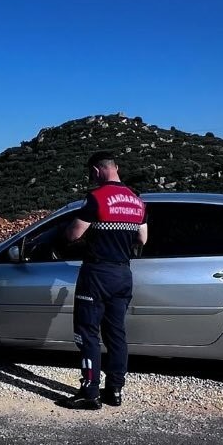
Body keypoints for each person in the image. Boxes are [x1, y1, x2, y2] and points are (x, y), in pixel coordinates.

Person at [60, 151, 147, 411]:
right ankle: (115, 390)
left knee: (87, 333)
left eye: (91, 173)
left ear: (97, 170)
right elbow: (143, 239)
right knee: (116, 333)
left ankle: (89, 392)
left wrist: (70, 234)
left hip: (97, 273)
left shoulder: (97, 198)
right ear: (116, 168)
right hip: (123, 274)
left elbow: (74, 234)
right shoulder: (137, 201)